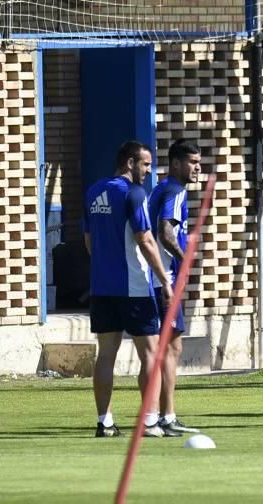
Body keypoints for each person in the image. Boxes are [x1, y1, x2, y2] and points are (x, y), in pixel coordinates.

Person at [83, 141, 175, 438]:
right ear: (130, 163)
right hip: (134, 286)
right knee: (151, 354)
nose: (149, 171)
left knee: (106, 353)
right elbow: (146, 241)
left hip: (101, 287)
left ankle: (104, 421)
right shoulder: (134, 193)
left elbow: (88, 241)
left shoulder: (94, 191)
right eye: (146, 164)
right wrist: (166, 280)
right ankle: (149, 421)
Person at [147, 139, 202, 435]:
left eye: (199, 163)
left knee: (172, 345)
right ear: (176, 163)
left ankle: (165, 414)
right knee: (167, 348)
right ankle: (160, 416)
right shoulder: (174, 191)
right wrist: (184, 259)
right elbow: (165, 230)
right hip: (164, 280)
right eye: (192, 162)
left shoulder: (163, 189)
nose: (197, 168)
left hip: (159, 279)